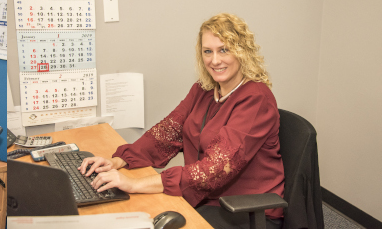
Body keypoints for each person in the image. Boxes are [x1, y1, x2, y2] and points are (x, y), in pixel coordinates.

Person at [79, 13, 285, 229]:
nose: (215, 60)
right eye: (208, 51)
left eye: (224, 49)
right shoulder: (204, 90)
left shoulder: (256, 98)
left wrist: (134, 183)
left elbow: (213, 170)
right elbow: (167, 133)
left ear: (242, 52)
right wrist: (119, 160)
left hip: (243, 210)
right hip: (204, 197)